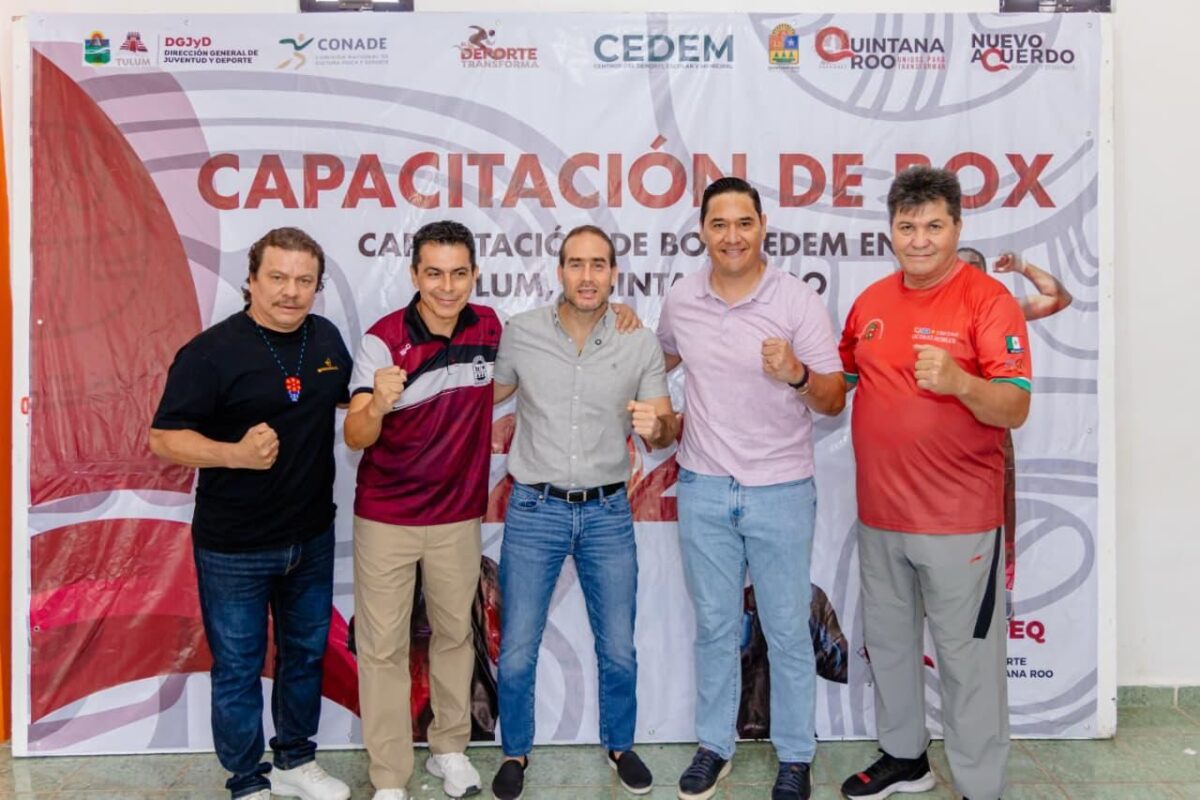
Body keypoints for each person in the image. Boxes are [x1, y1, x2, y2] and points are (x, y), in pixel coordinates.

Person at [838, 167, 1032, 800]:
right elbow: (835, 380)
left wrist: (962, 383)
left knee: (967, 663)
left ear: (956, 227)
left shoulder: (988, 300)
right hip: (880, 514)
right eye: (906, 226)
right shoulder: (870, 303)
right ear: (891, 230)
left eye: (933, 226)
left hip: (959, 520)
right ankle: (905, 758)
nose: (918, 239)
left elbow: (1014, 406)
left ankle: (981, 786)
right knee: (890, 649)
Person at [657, 177, 846, 800]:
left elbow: (832, 396)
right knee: (714, 626)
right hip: (705, 485)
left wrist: (795, 373)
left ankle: (796, 755)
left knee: (788, 628)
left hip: (781, 488)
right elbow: (656, 360)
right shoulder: (682, 298)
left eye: (743, 223)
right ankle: (715, 745)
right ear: (703, 232)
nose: (731, 236)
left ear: (762, 226)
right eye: (719, 224)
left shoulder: (795, 301)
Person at [149, 227, 352, 800]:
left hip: (310, 537)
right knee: (238, 668)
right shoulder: (211, 352)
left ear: (318, 286)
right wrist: (231, 454)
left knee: (306, 655)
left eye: (304, 281)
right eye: (279, 278)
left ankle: (294, 760)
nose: (291, 292)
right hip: (233, 545)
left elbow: (349, 401)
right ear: (252, 281)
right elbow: (164, 439)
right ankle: (246, 780)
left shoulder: (328, 339)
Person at [489, 225, 677, 800]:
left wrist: (659, 426)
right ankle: (516, 751)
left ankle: (620, 744)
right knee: (518, 644)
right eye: (576, 264)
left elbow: (665, 425)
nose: (588, 276)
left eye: (599, 264)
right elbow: (478, 396)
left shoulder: (637, 342)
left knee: (617, 643)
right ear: (559, 271)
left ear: (614, 273)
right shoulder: (519, 335)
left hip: (606, 513)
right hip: (533, 509)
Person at [344, 220, 501, 800]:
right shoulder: (384, 340)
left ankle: (450, 750)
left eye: (459, 273)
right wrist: (379, 403)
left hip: (458, 516)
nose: (446, 286)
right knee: (382, 648)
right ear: (414, 275)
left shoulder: (488, 327)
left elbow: (499, 382)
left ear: (474, 275)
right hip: (386, 519)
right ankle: (389, 778)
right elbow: (355, 435)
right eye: (433, 273)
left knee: (456, 636)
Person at [958, 246, 1073, 617]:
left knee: (992, 521)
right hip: (939, 437)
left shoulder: (999, 308)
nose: (970, 275)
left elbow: (1058, 297)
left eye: (978, 267)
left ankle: (989, 603)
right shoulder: (930, 309)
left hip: (991, 432)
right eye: (963, 268)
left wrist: (1022, 265)